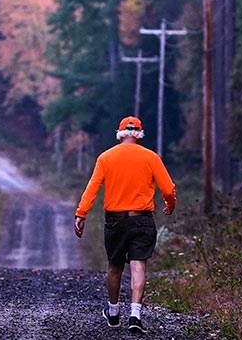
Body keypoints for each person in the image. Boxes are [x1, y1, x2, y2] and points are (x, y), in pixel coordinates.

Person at [73, 116, 176, 334]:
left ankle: (113, 312)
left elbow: (92, 188)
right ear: (139, 133)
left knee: (115, 266)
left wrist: (81, 214)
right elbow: (168, 189)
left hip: (115, 220)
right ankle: (135, 315)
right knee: (138, 265)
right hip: (142, 219)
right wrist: (170, 203)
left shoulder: (106, 157)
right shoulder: (151, 157)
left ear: (120, 133)